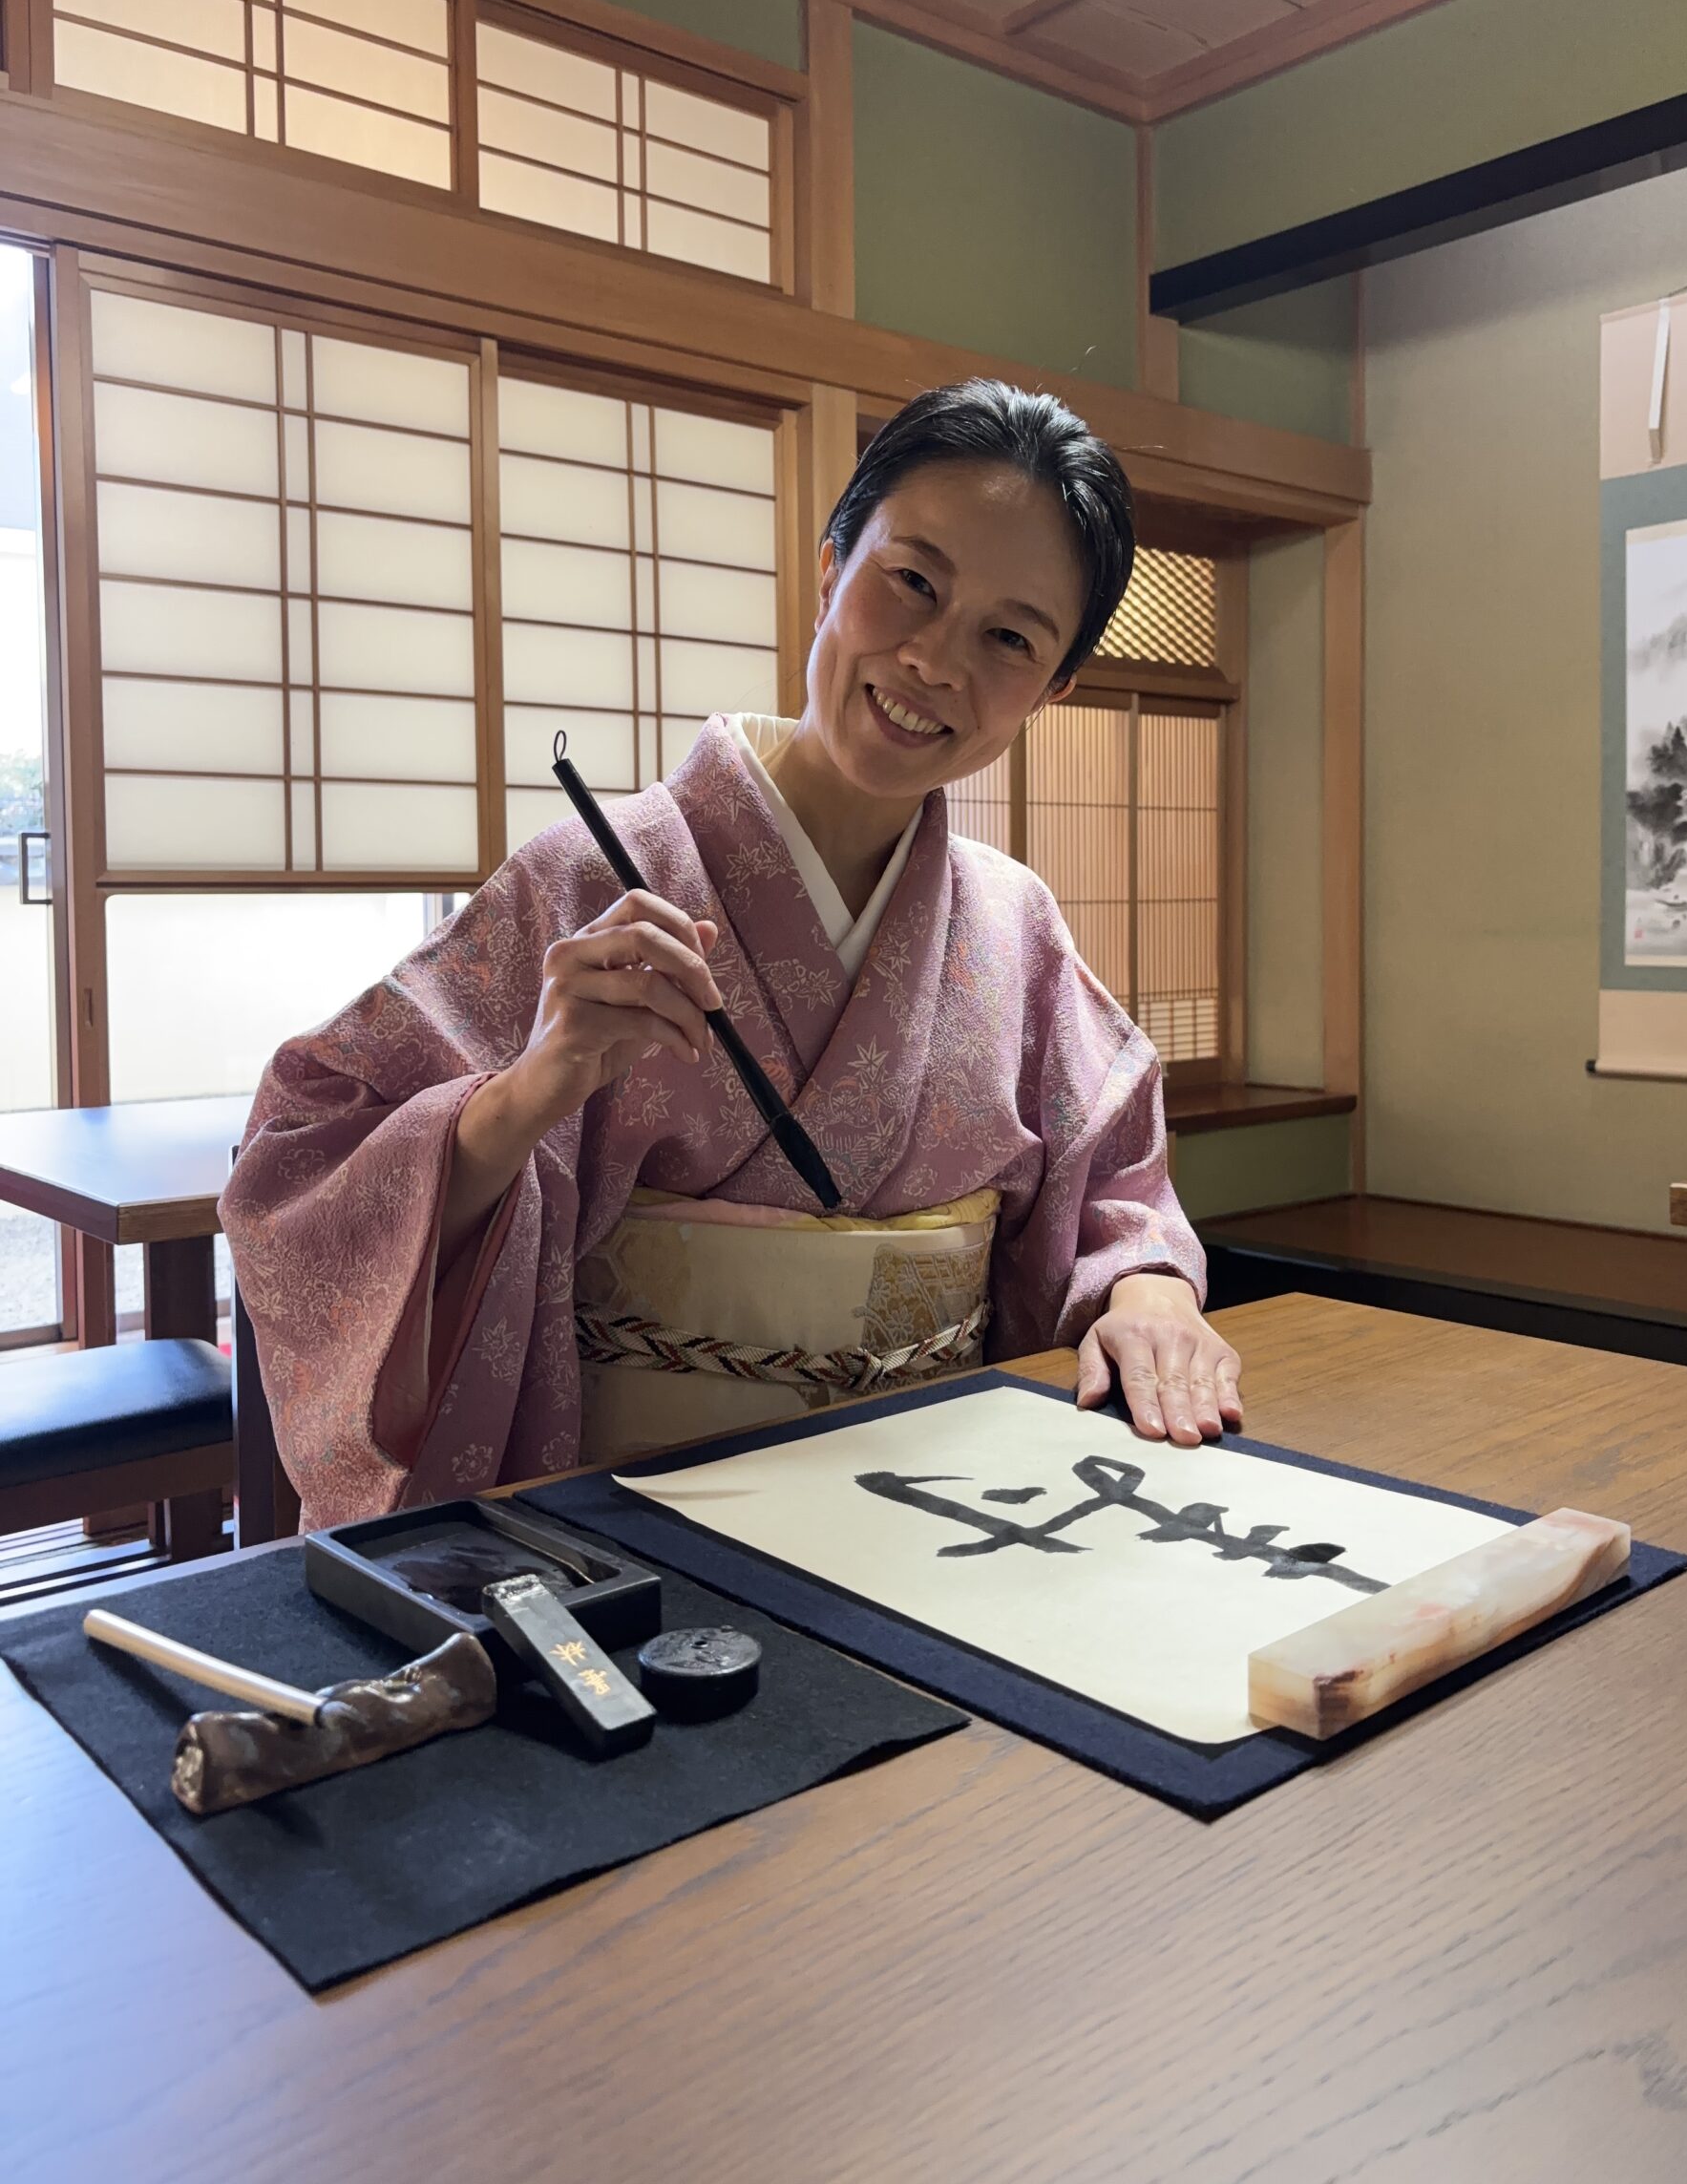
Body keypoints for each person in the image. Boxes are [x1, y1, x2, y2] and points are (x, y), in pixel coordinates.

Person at [222, 381, 1243, 1527]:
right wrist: (521, 1097)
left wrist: (1149, 1289)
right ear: (830, 568)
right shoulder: (584, 880)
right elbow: (301, 1160)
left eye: (1008, 637)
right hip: (631, 1525)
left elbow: (1115, 1181)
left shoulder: (1016, 924)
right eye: (911, 581)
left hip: (943, 1509)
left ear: (1051, 688)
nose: (933, 661)